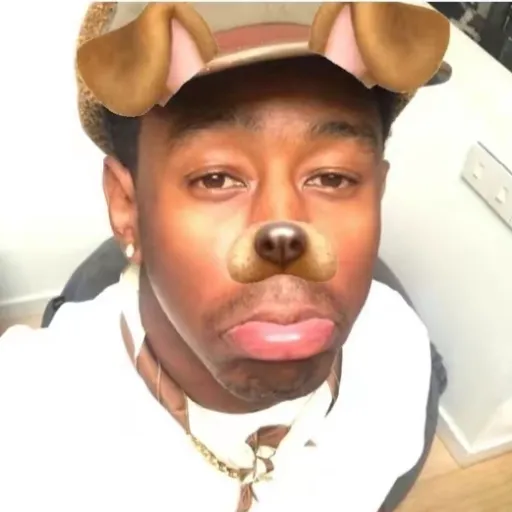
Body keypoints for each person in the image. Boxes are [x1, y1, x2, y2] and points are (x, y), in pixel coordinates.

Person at [0, 3, 451, 511]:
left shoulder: (401, 356)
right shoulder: (27, 432)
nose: (285, 232)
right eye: (216, 178)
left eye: (332, 177)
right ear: (127, 206)